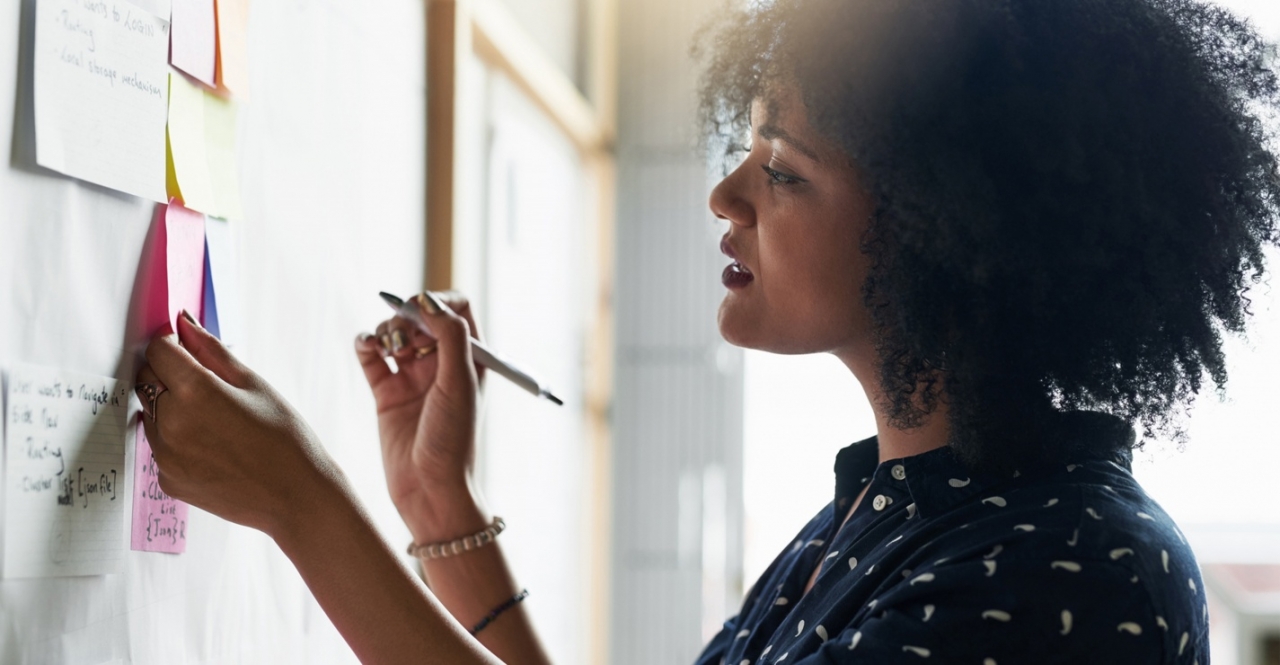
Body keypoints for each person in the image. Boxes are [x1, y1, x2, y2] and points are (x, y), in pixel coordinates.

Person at [133, 0, 1280, 662]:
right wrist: (443, 512)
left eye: (781, 170)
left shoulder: (1070, 566)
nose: (726, 195)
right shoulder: (888, 513)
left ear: (948, 234)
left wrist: (303, 503)